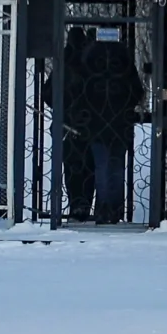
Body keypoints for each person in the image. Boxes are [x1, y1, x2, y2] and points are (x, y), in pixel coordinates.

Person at [82, 33, 145, 224]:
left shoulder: (91, 64)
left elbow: (81, 93)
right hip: (120, 125)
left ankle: (103, 209)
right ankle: (115, 211)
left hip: (96, 125)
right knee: (116, 168)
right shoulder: (125, 67)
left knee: (101, 167)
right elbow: (137, 92)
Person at [51, 28, 96, 219]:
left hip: (67, 124)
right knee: (90, 167)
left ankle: (75, 204)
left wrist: (62, 107)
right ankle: (86, 204)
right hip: (93, 123)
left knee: (71, 167)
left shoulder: (64, 60)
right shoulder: (94, 60)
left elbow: (48, 91)